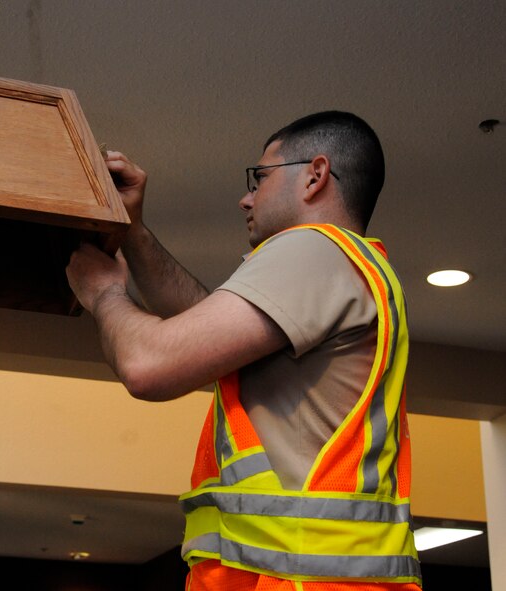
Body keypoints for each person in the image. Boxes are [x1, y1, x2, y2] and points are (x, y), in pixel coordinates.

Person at [66, 111, 422, 591]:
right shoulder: (352, 265)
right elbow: (201, 327)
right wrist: (132, 229)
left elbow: (148, 364)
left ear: (315, 175)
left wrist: (105, 294)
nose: (245, 197)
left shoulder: (314, 249)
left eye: (260, 178)